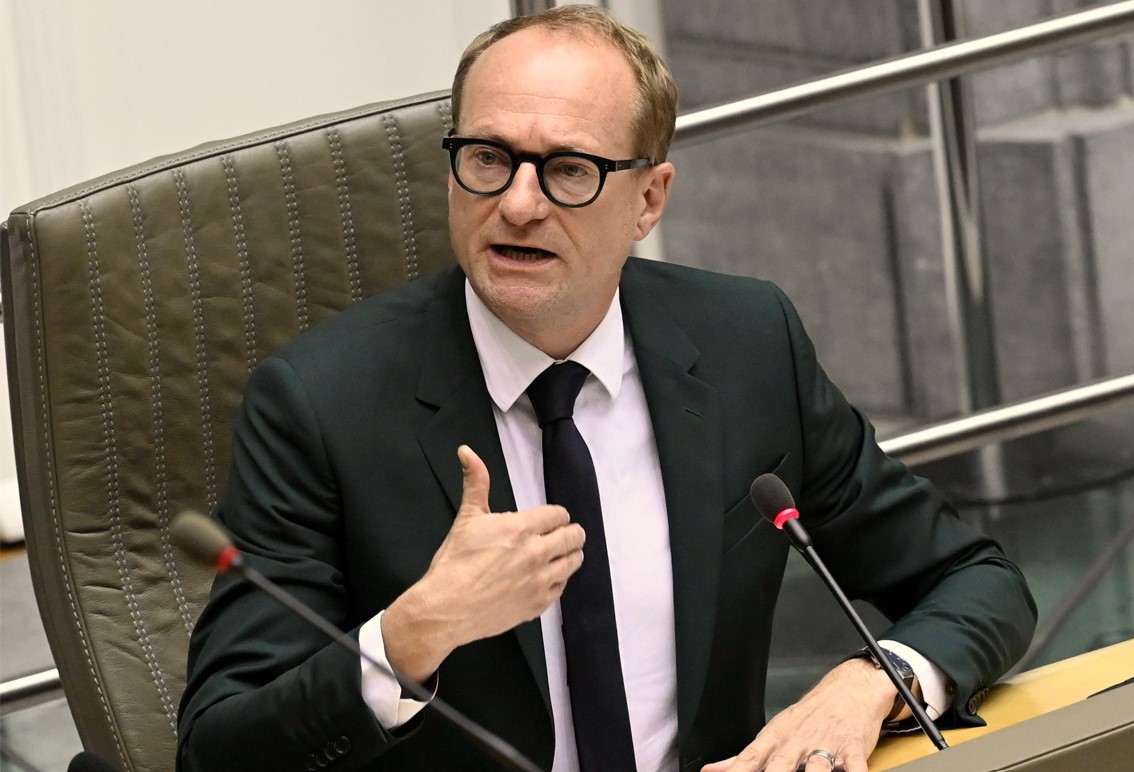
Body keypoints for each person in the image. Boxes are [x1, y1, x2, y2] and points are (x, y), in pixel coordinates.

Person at [176, 6, 1036, 772]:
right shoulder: (321, 404)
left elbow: (976, 580)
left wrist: (873, 682)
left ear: (649, 199)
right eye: (488, 158)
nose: (518, 204)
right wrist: (413, 633)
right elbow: (218, 746)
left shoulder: (746, 344)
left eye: (568, 169)